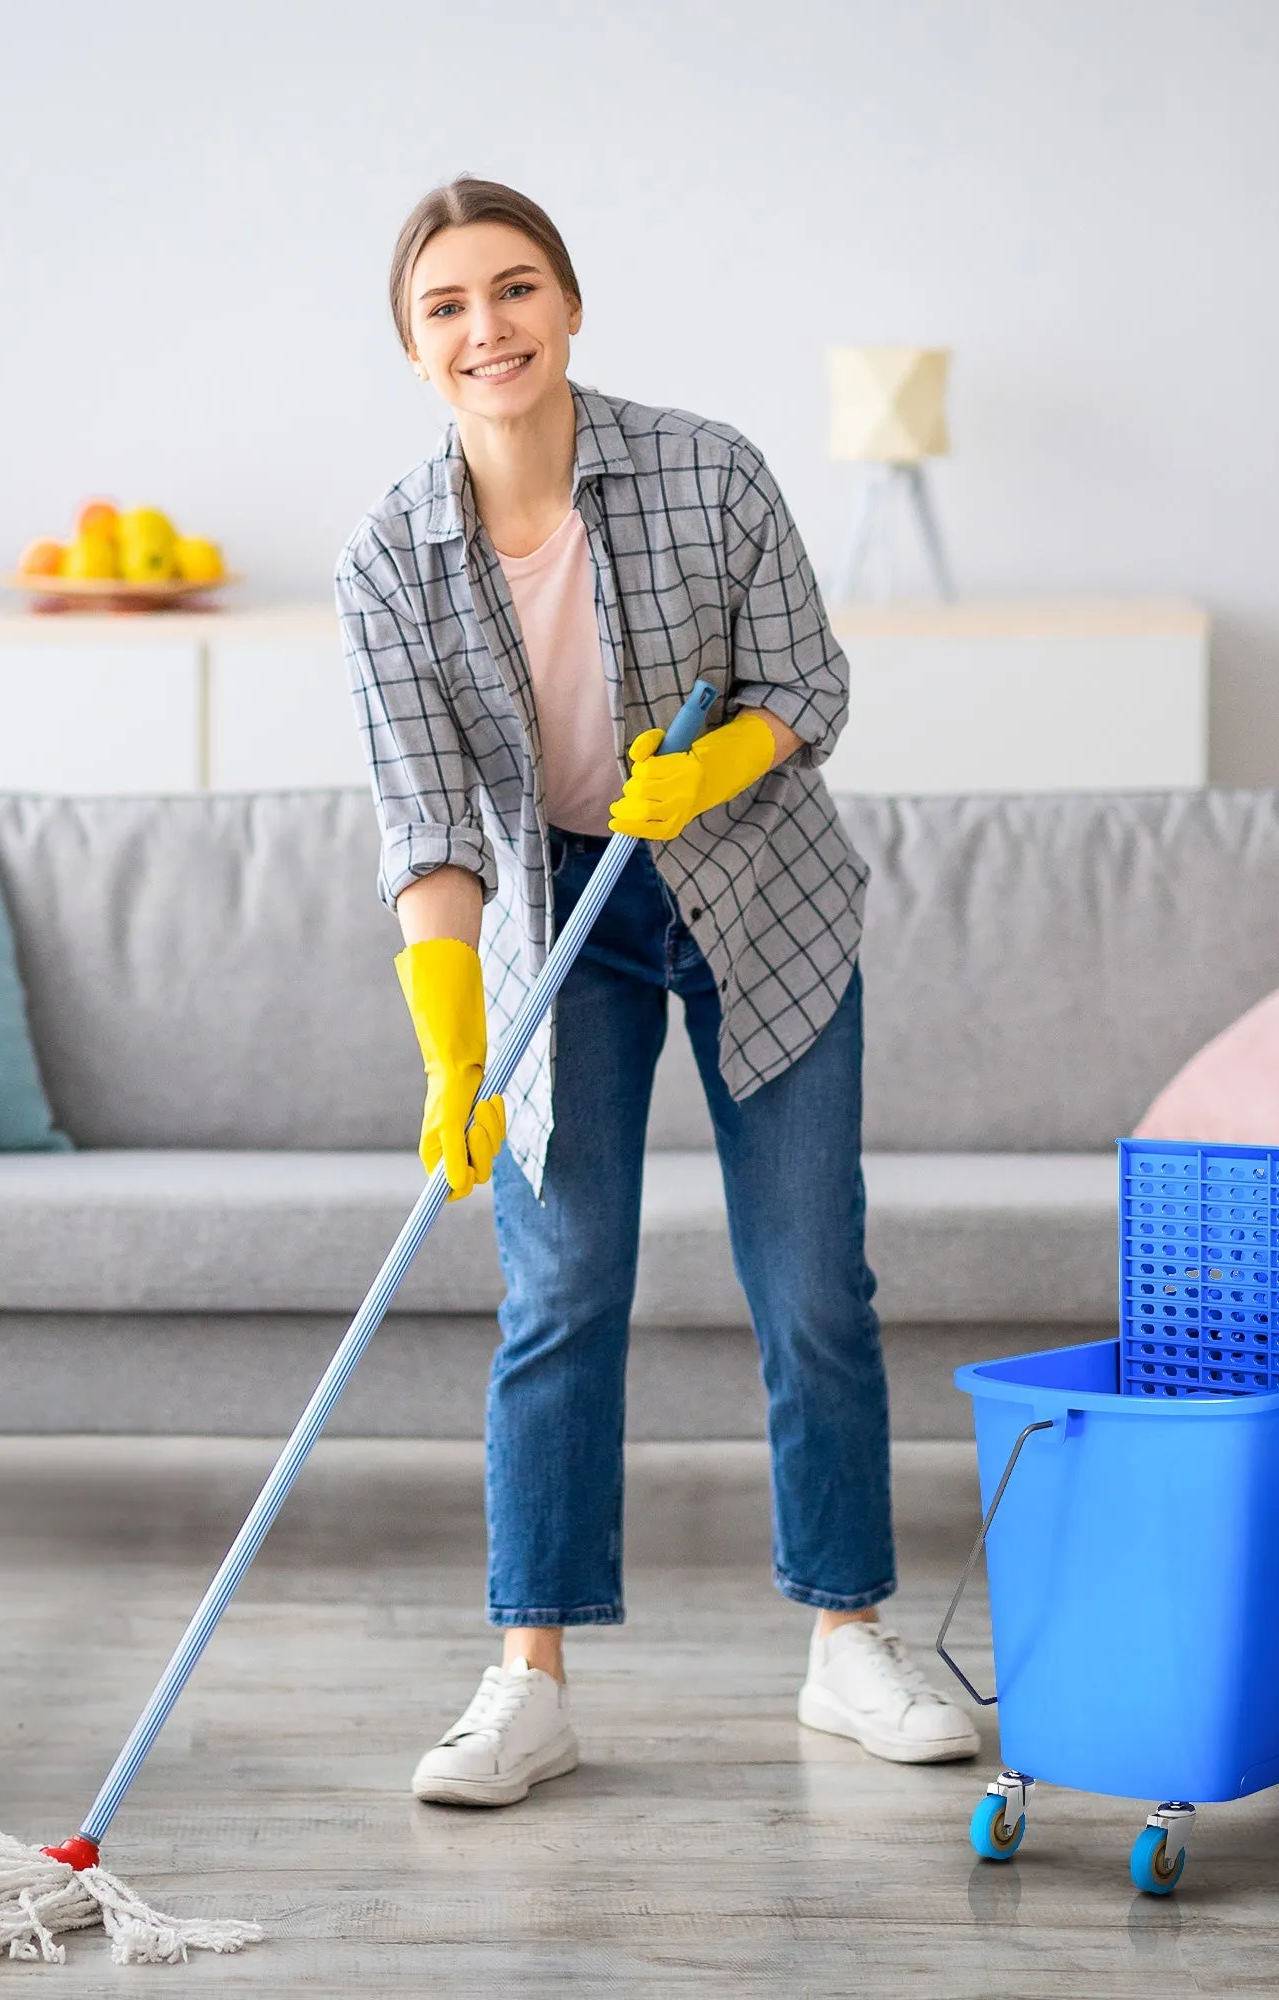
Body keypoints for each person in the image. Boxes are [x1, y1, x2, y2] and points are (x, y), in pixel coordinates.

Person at [336, 177, 977, 1808]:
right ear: (413, 352)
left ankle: (848, 1642)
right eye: (449, 308)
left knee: (811, 1284)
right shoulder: (392, 560)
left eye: (517, 288)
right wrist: (451, 1048)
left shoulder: (708, 468)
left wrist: (710, 774)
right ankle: (528, 1677)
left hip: (756, 890)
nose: (490, 327)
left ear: (568, 305)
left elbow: (809, 687)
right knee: (560, 1296)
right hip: (560, 923)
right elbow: (427, 822)